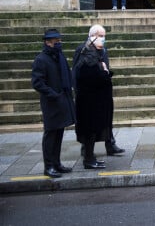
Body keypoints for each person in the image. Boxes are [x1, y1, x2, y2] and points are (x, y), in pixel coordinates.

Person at [74, 26, 125, 158]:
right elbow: (77, 71)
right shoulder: (83, 49)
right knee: (89, 123)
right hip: (89, 93)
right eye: (101, 36)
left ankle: (110, 144)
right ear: (93, 35)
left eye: (104, 36)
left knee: (107, 118)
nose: (103, 39)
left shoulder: (103, 49)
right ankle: (86, 149)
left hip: (103, 90)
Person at [31, 29, 76, 178]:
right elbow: (37, 83)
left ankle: (57, 163)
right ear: (48, 42)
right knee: (50, 135)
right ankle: (48, 166)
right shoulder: (41, 59)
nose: (59, 43)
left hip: (62, 100)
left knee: (59, 133)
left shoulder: (59, 56)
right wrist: (53, 94)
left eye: (59, 40)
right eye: (56, 41)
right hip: (51, 103)